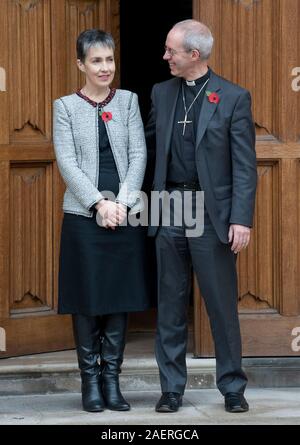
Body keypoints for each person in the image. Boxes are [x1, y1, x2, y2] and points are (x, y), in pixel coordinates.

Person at [146, 20, 257, 413]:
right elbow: (149, 149)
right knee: (171, 302)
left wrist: (241, 219)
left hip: (212, 213)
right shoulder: (161, 93)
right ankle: (171, 388)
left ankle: (232, 387)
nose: (165, 57)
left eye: (171, 50)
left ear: (194, 55)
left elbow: (245, 165)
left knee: (220, 305)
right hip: (170, 204)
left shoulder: (233, 97)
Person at [53, 29, 149, 413]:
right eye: (96, 60)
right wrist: (98, 204)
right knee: (87, 300)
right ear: (81, 64)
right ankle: (89, 383)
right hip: (83, 217)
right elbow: (67, 162)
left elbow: (139, 153)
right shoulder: (64, 106)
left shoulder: (127, 102)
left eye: (109, 59)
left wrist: (122, 203)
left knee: (119, 298)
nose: (105, 67)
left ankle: (112, 380)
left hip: (124, 214)